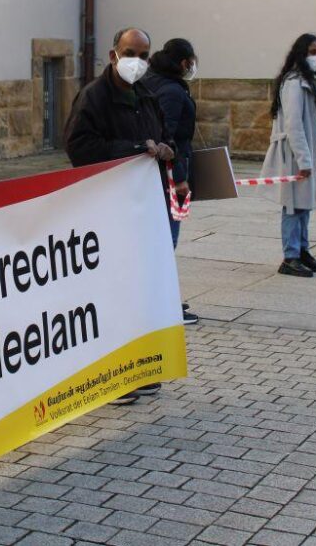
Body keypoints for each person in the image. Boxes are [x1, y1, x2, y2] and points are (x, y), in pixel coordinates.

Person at [65, 27, 174, 405]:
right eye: (131, 53)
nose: (137, 62)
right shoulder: (94, 97)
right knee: (113, 293)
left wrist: (165, 149)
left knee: (140, 292)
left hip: (143, 211)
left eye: (144, 55)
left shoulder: (147, 95)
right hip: (107, 211)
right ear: (114, 54)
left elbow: (164, 135)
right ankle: (113, 377)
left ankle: (139, 368)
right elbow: (78, 147)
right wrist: (130, 149)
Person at [141, 39, 200, 324]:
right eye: (191, 61)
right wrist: (179, 178)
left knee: (158, 241)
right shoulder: (172, 90)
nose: (193, 66)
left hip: (155, 174)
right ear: (182, 62)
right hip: (168, 175)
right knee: (166, 240)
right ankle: (162, 307)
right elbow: (169, 135)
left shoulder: (152, 81)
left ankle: (159, 302)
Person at [261, 33, 316, 277]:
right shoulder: (293, 83)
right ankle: (290, 256)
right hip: (294, 155)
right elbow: (293, 124)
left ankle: (302, 250)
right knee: (292, 206)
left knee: (304, 205)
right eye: (312, 51)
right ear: (301, 53)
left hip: (307, 152)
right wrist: (304, 160)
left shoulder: (310, 81)